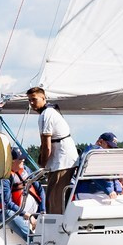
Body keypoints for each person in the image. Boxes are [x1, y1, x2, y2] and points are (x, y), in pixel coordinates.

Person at [23, 84, 80, 214]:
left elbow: (46, 145)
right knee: (53, 195)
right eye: (29, 100)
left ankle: (56, 226)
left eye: (34, 99)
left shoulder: (46, 115)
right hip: (61, 158)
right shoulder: (48, 113)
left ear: (44, 98)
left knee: (54, 197)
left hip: (62, 160)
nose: (32, 103)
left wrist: (42, 166)